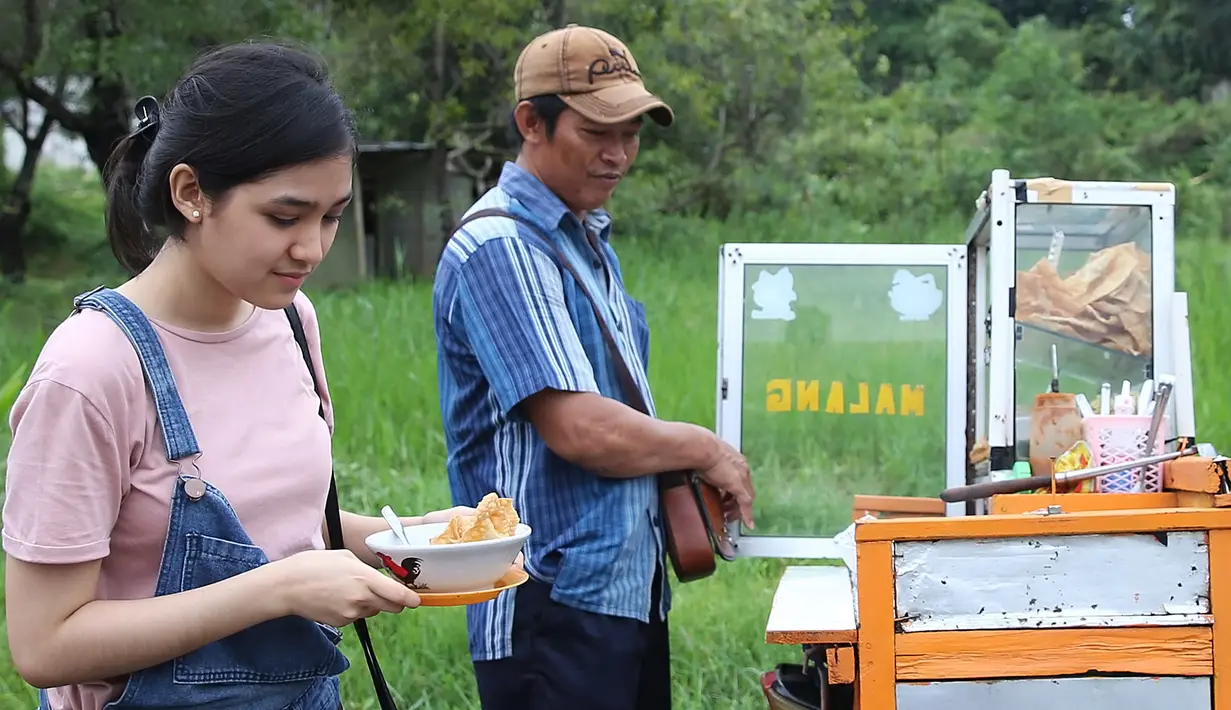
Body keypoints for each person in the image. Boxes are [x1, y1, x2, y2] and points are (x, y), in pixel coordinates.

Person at [2, 41, 472, 710]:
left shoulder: (290, 321)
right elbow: (45, 645)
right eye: (284, 217)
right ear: (192, 193)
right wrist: (278, 590)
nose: (311, 248)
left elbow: (287, 530)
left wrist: (416, 539)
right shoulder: (90, 371)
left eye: (331, 216)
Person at [431, 24, 756, 710]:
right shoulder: (502, 246)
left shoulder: (581, 238)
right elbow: (580, 430)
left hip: (615, 589)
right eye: (596, 133)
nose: (617, 155)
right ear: (531, 123)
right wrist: (705, 448)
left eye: (632, 134)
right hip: (548, 599)